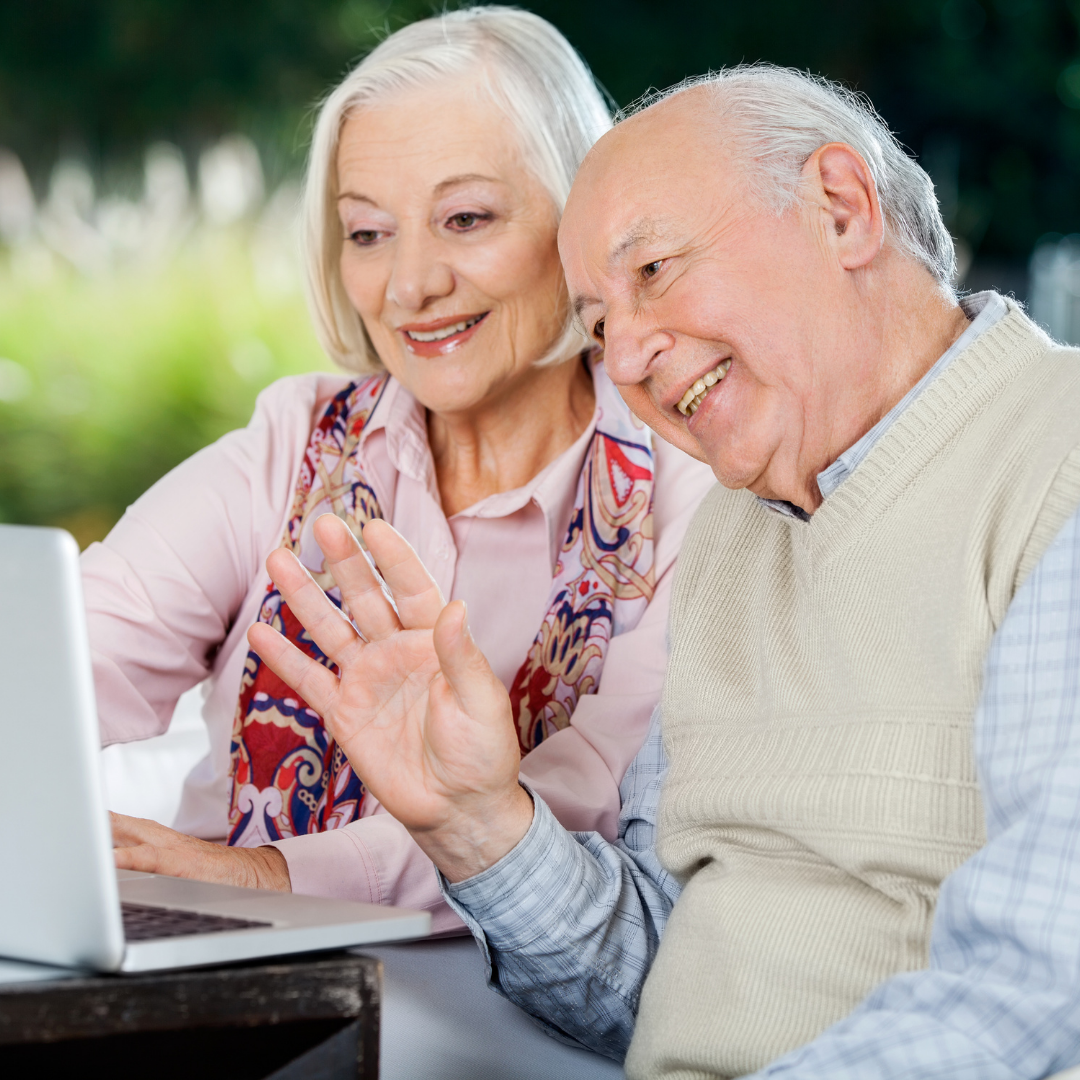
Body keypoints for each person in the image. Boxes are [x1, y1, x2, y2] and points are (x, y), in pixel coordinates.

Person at [246, 65, 1080, 1079]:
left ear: (842, 209)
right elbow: (654, 983)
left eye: (654, 273)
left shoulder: (1056, 465)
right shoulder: (734, 532)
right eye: (597, 321)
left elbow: (1037, 998)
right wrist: (476, 823)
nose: (627, 355)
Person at [91, 6, 712, 937]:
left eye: (465, 218)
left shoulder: (689, 493)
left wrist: (260, 877)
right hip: (217, 987)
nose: (409, 286)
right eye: (369, 232)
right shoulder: (290, 440)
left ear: (581, 223)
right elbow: (76, 658)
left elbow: (586, 806)